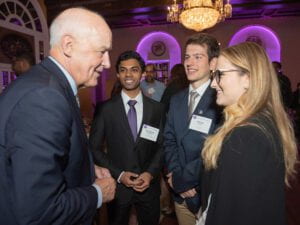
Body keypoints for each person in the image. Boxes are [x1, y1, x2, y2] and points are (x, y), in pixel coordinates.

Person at [0, 7, 116, 225]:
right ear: (68, 46)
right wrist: (97, 193)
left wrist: (86, 169)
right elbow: (39, 211)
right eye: (101, 51)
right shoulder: (44, 97)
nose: (107, 63)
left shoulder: (46, 84)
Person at [199, 42, 298, 225]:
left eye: (219, 74)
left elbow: (234, 213)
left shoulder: (246, 136)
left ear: (248, 78)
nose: (213, 84)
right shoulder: (260, 123)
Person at [89, 50, 165, 225]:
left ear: (143, 73)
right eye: (123, 70)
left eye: (134, 69)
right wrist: (120, 174)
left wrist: (150, 173)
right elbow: (93, 148)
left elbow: (162, 146)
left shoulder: (157, 109)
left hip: (148, 188)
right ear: (117, 74)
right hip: (118, 187)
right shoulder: (105, 109)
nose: (128, 74)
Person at [163, 33, 221, 225]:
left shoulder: (221, 99)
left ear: (213, 63)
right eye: (187, 57)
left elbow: (216, 150)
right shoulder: (176, 99)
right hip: (180, 196)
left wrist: (183, 180)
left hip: (207, 192)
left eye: (198, 57)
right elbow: (169, 139)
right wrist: (174, 174)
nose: (189, 62)